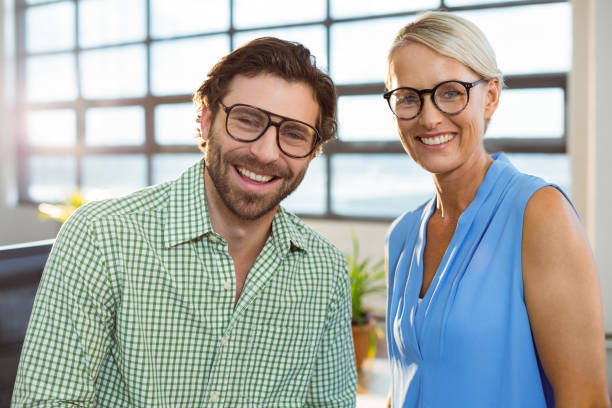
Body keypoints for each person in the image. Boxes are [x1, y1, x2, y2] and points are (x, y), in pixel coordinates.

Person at [12, 37, 357, 407]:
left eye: (293, 134)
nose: (265, 152)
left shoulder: (325, 269)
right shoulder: (103, 237)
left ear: (313, 150)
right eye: (247, 120)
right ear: (206, 120)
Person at [384, 12, 610, 408]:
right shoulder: (402, 236)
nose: (429, 116)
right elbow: (402, 386)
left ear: (490, 96)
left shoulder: (539, 214)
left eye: (451, 92)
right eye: (408, 97)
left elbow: (586, 400)